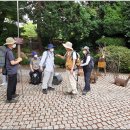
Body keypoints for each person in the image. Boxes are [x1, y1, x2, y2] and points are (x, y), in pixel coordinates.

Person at [4, 37, 22, 103]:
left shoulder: (8, 50)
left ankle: (13, 94)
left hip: (13, 71)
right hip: (11, 71)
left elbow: (11, 61)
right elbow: (12, 63)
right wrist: (19, 60)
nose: (14, 44)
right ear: (10, 44)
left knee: (14, 83)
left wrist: (16, 59)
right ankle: (9, 99)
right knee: (10, 85)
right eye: (13, 43)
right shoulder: (9, 52)